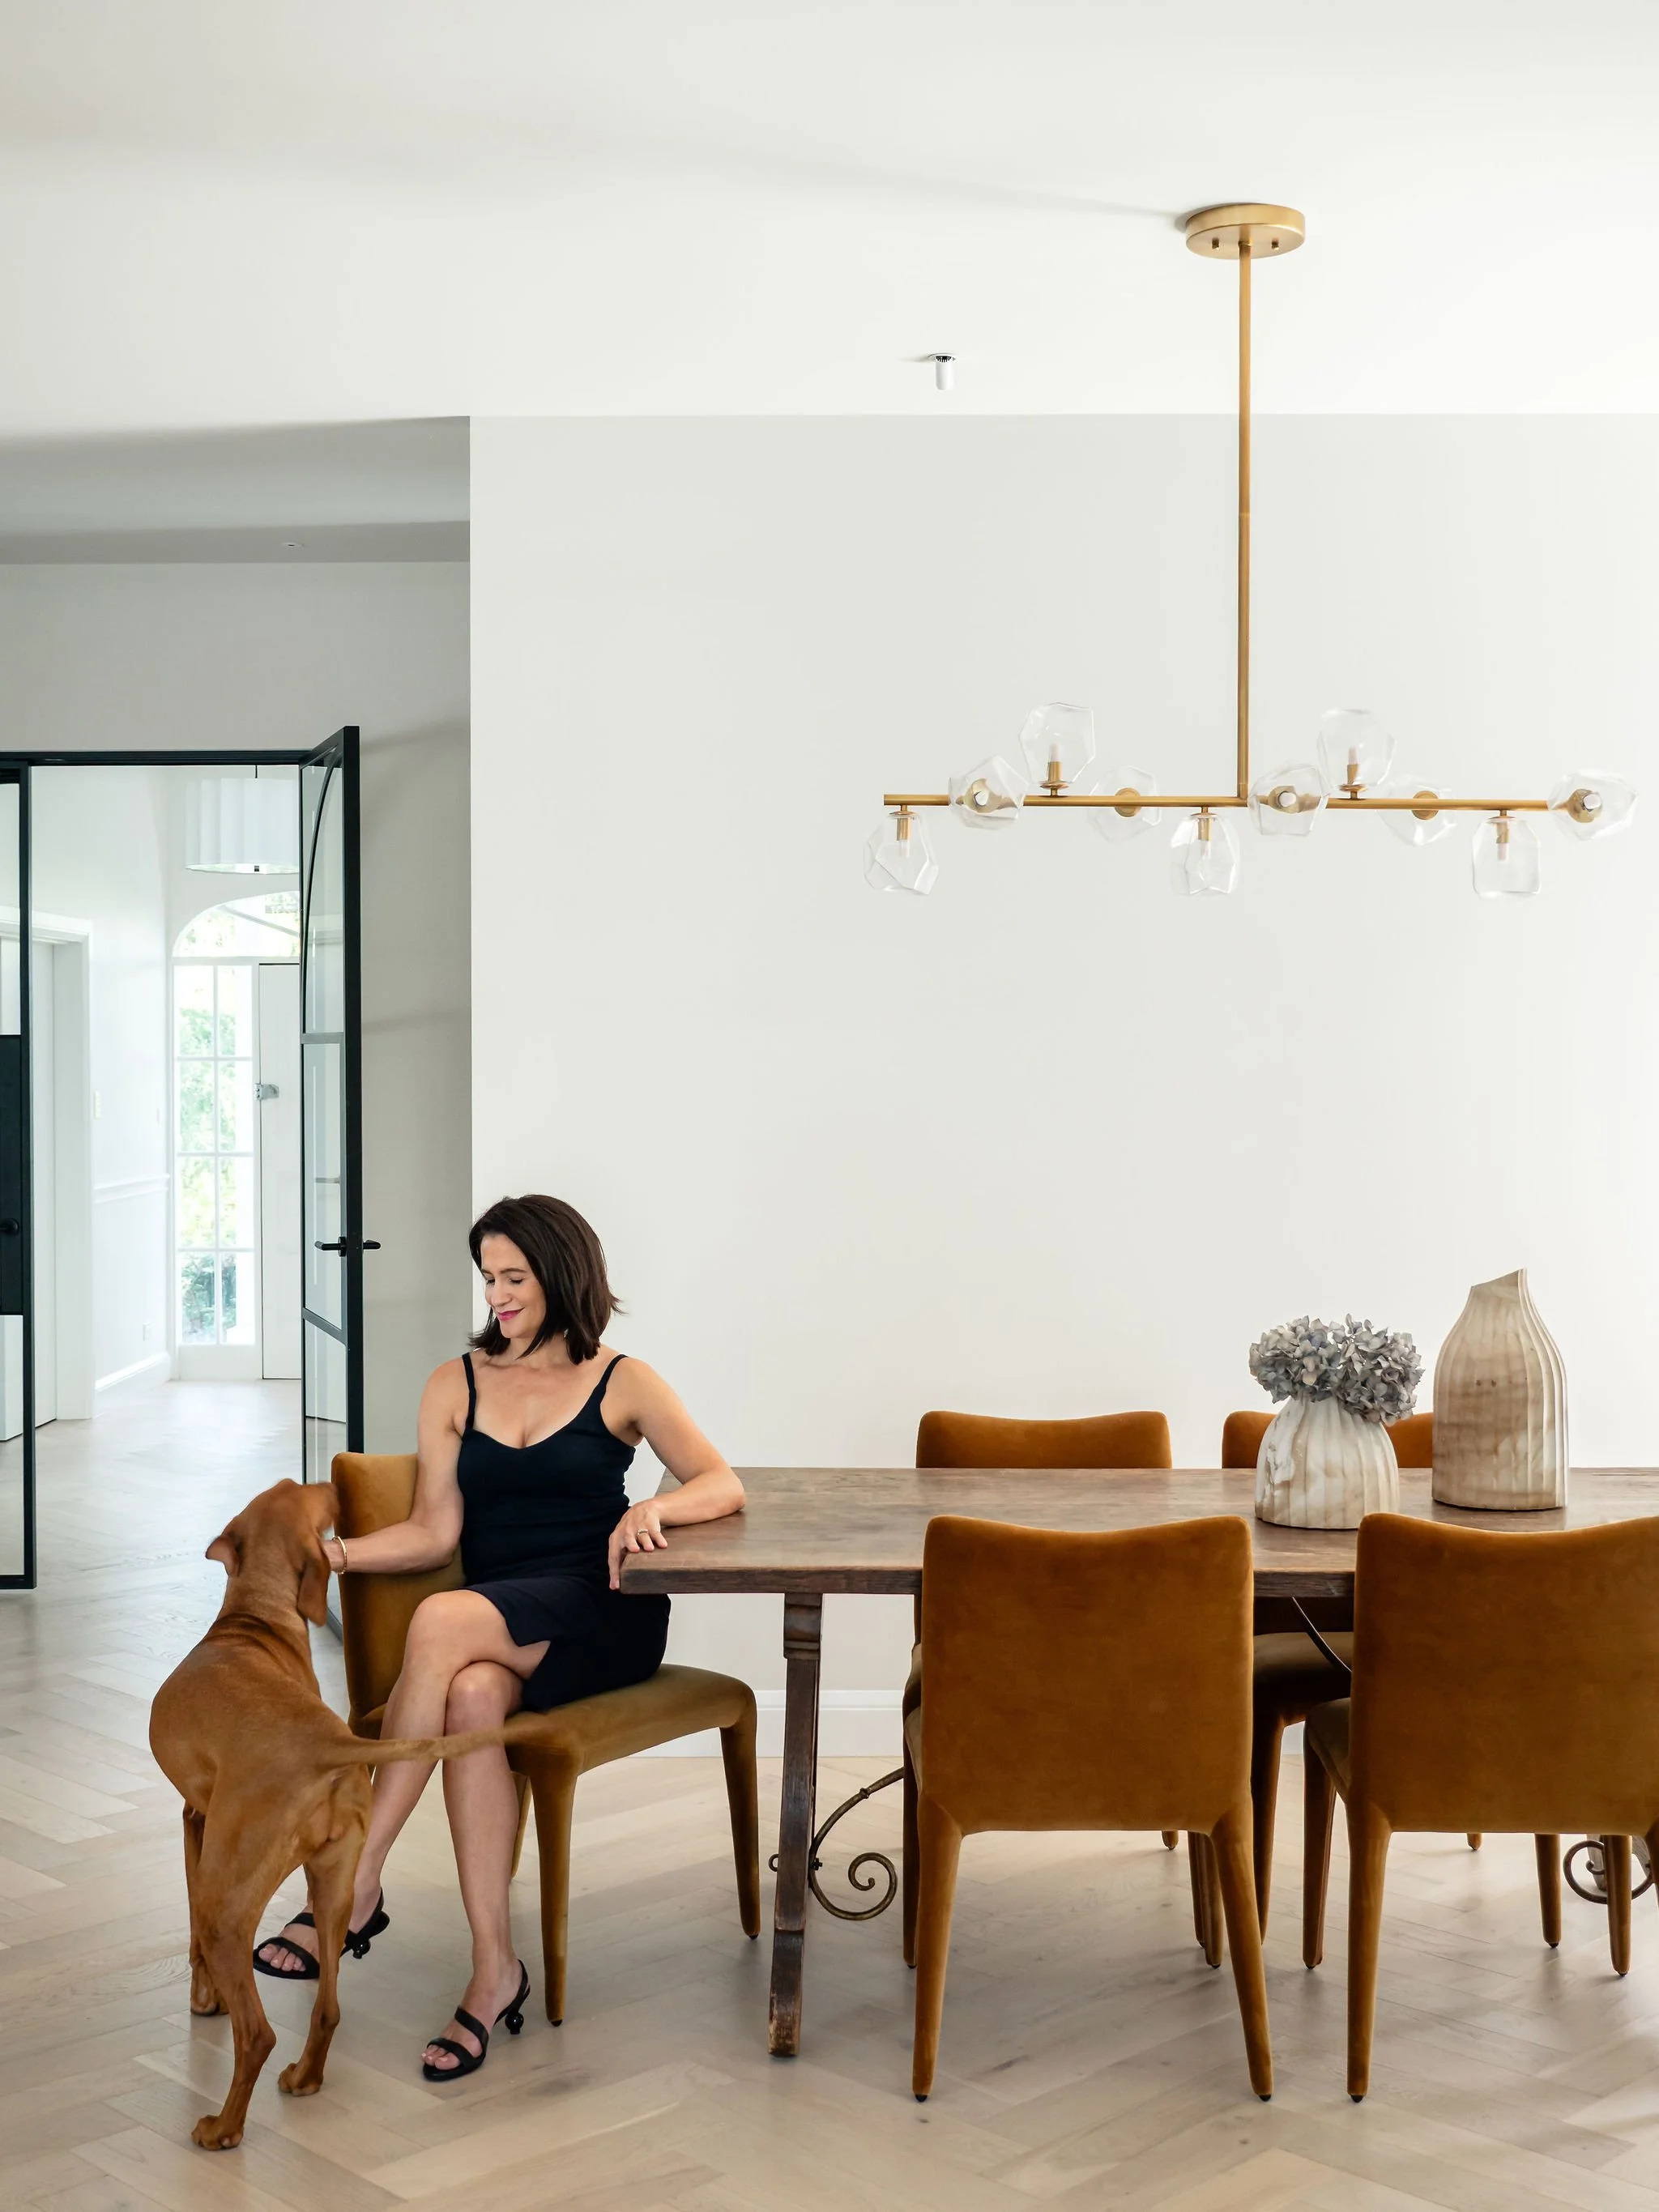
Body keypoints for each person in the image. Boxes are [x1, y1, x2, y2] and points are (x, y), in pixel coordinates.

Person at [252, 1193, 744, 2078]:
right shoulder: (457, 1381)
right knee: (473, 1695)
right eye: (488, 1277)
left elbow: (721, 1481)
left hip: (602, 1609)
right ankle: (494, 1971)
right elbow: (434, 1531)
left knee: (444, 1618)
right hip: (502, 1616)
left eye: (514, 1276)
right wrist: (336, 1555)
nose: (498, 1295)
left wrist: (654, 1508)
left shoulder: (622, 1379)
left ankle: (356, 1877)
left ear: (560, 1272)